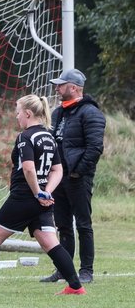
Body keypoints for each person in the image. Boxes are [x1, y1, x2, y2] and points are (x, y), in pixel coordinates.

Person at [0, 94, 85, 295]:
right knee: (50, 242)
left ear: (27, 113)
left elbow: (28, 169)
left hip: (24, 198)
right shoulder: (49, 136)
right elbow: (58, 170)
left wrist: (37, 193)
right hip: (41, 200)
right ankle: (75, 286)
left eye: (17, 112)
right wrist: (46, 192)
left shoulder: (26, 137)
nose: (16, 117)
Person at [40, 68, 105, 285]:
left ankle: (87, 270)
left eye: (61, 85)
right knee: (63, 226)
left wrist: (78, 171)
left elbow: (95, 148)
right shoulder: (57, 113)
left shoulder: (91, 113)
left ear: (74, 88)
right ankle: (63, 270)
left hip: (78, 178)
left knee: (83, 225)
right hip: (58, 179)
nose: (57, 88)